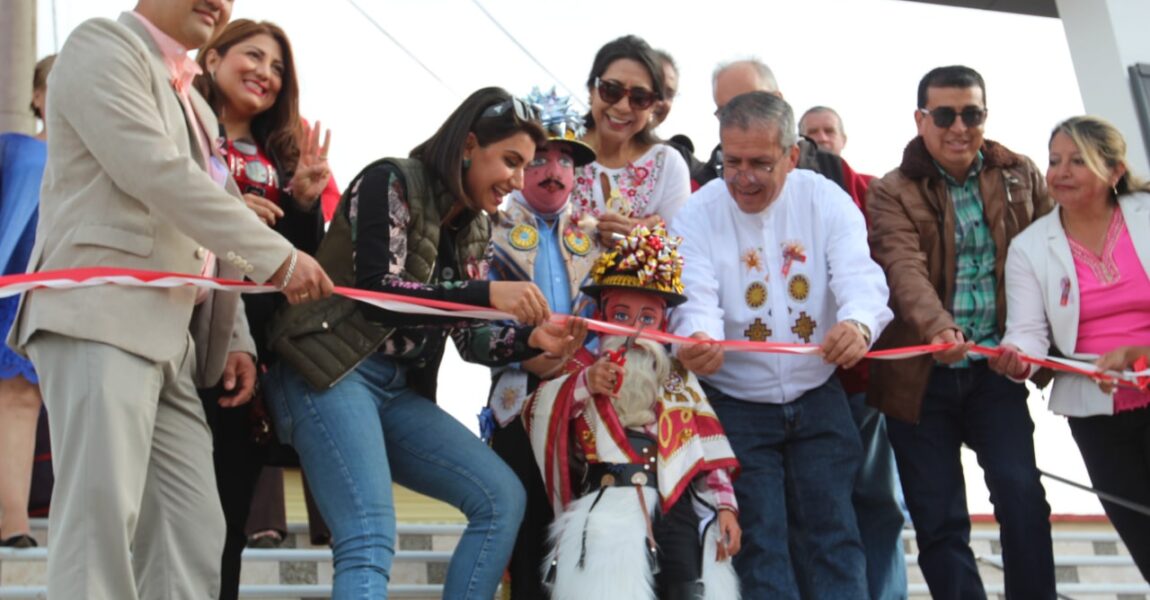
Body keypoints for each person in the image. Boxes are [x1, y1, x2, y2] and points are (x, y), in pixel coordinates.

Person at [7, 1, 334, 597]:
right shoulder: (100, 46)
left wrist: (232, 338)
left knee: (193, 529)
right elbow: (156, 173)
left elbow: (204, 227)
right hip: (100, 317)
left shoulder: (195, 105)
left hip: (176, 342)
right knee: (98, 525)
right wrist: (278, 257)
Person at [263, 87, 586, 599]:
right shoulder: (389, 179)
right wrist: (487, 293)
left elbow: (470, 339)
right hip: (328, 372)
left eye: (525, 167)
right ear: (468, 144)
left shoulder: (478, 225)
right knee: (369, 535)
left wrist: (530, 340)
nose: (518, 180)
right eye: (510, 160)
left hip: (394, 390)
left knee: (502, 496)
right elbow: (377, 293)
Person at [672, 91, 892, 598]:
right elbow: (693, 296)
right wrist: (697, 338)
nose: (743, 177)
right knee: (760, 545)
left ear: (792, 156)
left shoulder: (825, 199)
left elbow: (860, 277)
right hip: (736, 403)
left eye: (760, 163)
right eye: (732, 161)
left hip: (818, 395)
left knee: (835, 536)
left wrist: (858, 324)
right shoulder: (697, 212)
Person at [866, 65, 1055, 599]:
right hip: (920, 377)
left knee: (1022, 495)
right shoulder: (890, 190)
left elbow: (1048, 259)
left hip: (998, 371)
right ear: (921, 119)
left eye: (971, 114)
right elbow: (904, 271)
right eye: (945, 114)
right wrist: (939, 328)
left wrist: (1035, 347)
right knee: (940, 519)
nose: (959, 127)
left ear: (985, 117)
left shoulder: (1021, 174)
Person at [525, 223, 741, 600]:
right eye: (622, 316)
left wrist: (726, 509)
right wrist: (586, 385)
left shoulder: (678, 381)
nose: (635, 331)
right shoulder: (581, 369)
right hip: (606, 505)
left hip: (674, 504)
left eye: (647, 318)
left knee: (687, 589)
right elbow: (538, 415)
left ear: (665, 323)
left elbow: (708, 452)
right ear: (601, 314)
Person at [192, 18, 331, 599]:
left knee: (227, 514)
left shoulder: (282, 156)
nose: (266, 74)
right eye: (253, 56)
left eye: (278, 68)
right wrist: (225, 210)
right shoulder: (183, 134)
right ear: (212, 57)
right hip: (183, 333)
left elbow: (305, 268)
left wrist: (301, 205)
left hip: (251, 357)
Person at [992, 116, 1150, 582]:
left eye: (1078, 161)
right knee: (1144, 540)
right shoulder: (1029, 246)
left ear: (1115, 171)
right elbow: (1027, 332)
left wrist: (1141, 349)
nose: (1060, 171)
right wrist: (1016, 358)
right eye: (1055, 160)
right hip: (1097, 417)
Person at [485, 86, 599, 599]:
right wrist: (532, 355)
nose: (554, 171)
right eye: (542, 159)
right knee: (528, 531)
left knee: (587, 532)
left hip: (589, 398)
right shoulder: (490, 229)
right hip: (519, 396)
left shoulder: (598, 238)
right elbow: (469, 321)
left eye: (565, 160)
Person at [0, 54, 54, 550]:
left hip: (65, 297)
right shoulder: (14, 149)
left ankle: (17, 521)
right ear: (36, 96)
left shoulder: (112, 160)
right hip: (11, 288)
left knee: (27, 400)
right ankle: (12, 521)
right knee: (16, 398)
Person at [571, 35, 691, 245]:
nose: (623, 107)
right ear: (592, 90)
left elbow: (684, 248)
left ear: (653, 105)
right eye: (611, 90)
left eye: (639, 98)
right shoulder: (555, 149)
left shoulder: (668, 165)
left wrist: (643, 238)